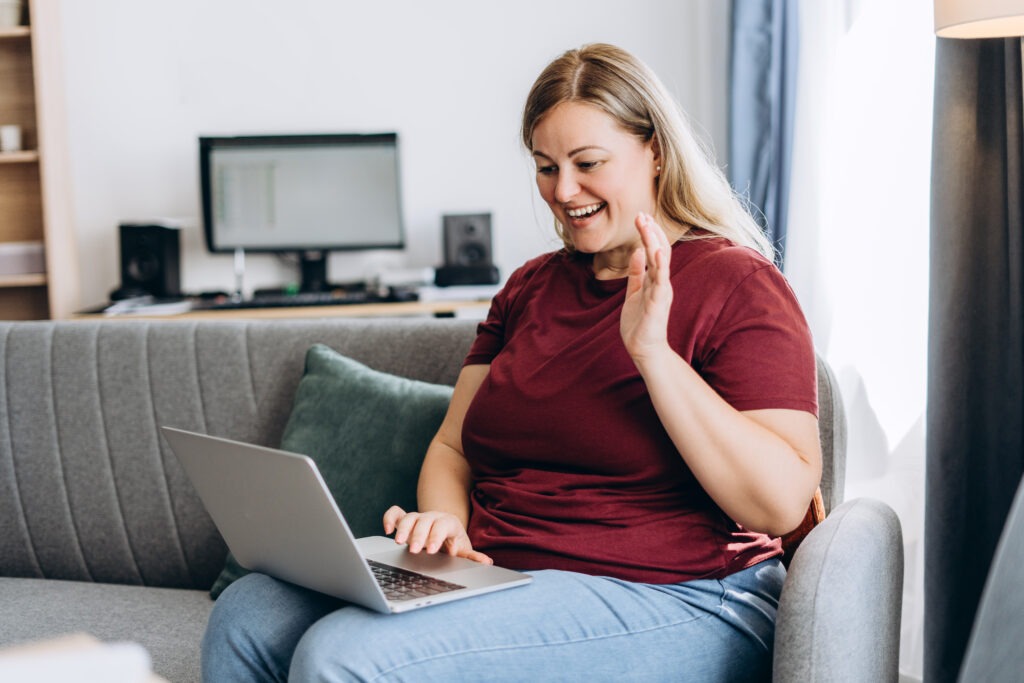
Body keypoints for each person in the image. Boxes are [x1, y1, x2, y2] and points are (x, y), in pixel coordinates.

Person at [201, 43, 821, 682]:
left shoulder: (738, 283)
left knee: (344, 656)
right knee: (250, 616)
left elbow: (778, 504)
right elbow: (452, 447)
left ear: (655, 150)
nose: (563, 190)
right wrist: (446, 520)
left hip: (682, 592)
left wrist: (653, 354)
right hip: (503, 577)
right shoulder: (530, 288)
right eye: (546, 166)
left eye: (588, 163)